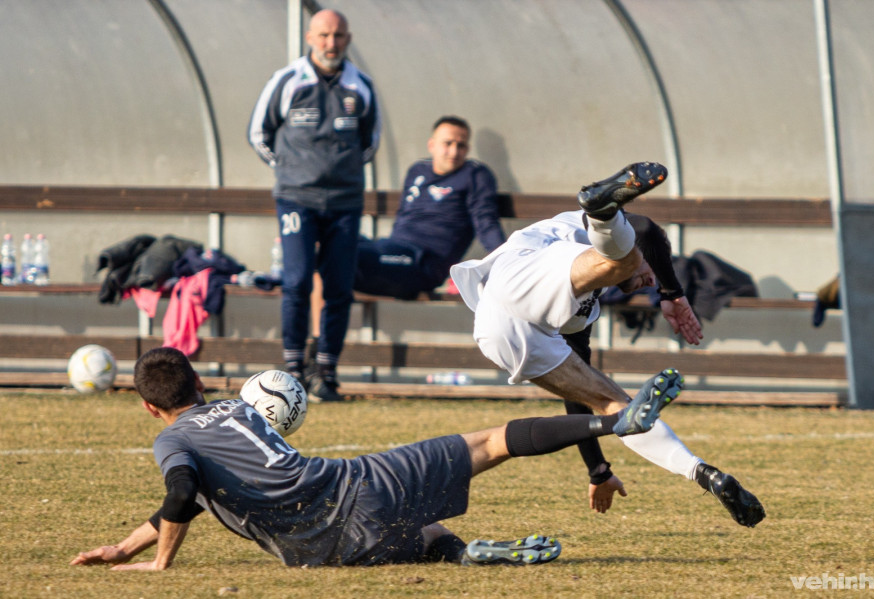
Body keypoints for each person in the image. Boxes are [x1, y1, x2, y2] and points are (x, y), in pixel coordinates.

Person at [70, 347, 682, 569]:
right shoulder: (235, 409)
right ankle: (615, 420)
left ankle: (466, 555)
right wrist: (145, 558)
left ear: (151, 409)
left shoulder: (172, 440)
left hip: (311, 550)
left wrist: (137, 556)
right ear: (200, 383)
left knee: (417, 527)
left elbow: (188, 494)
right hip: (357, 487)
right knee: (492, 441)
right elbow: (184, 497)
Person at [450, 162, 766, 527]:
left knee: (618, 408)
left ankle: (703, 473)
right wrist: (672, 293)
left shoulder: (584, 309)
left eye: (651, 281)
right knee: (622, 259)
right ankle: (602, 211)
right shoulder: (565, 232)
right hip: (514, 280)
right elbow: (647, 229)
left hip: (501, 335)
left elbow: (578, 400)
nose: (648, 282)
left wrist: (598, 470)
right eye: (651, 274)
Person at [248, 8, 381, 403]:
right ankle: (293, 369)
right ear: (310, 37)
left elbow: (370, 142)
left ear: (348, 39)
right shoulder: (287, 80)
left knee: (339, 286)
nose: (331, 43)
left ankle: (327, 371)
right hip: (296, 199)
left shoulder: (362, 85)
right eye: (323, 35)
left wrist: (341, 172)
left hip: (344, 202)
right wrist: (291, 170)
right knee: (297, 281)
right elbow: (258, 133)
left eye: (338, 35)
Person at [354, 115, 506, 299]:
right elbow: (403, 216)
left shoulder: (474, 174)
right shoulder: (418, 170)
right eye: (447, 143)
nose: (454, 151)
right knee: (331, 243)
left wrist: (507, 261)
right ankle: (318, 327)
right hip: (393, 251)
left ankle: (320, 327)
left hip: (424, 262)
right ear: (431, 145)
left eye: (461, 145)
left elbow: (485, 222)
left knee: (341, 256)